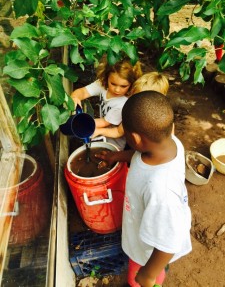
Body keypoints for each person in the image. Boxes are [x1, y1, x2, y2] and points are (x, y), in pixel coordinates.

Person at [120, 91, 192, 287]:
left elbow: (169, 239)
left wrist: (148, 275)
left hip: (147, 251)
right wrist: (116, 157)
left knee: (136, 281)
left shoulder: (161, 190)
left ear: (134, 138)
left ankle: (156, 273)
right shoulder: (170, 143)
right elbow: (137, 156)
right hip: (147, 227)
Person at [94, 72, 171, 165]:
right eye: (132, 96)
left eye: (138, 100)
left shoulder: (161, 123)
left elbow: (154, 153)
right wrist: (98, 131)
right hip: (133, 148)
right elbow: (118, 131)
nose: (132, 101)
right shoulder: (133, 112)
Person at [71, 54, 143, 150]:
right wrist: (75, 97)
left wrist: (82, 124)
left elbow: (105, 122)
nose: (117, 90)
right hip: (100, 130)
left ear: (131, 84)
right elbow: (83, 92)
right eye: (113, 84)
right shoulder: (102, 84)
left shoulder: (123, 103)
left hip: (114, 140)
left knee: (107, 156)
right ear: (106, 77)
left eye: (123, 86)